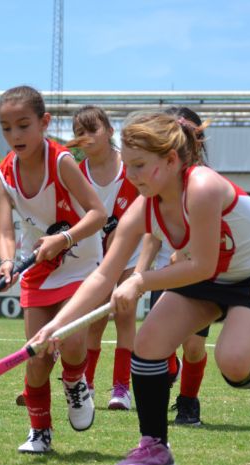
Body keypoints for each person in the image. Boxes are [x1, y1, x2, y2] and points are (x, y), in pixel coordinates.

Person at [31, 111, 250, 465]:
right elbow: (103, 274)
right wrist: (57, 326)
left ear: (171, 160)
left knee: (234, 365)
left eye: (140, 166)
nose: (131, 175)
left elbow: (202, 264)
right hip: (206, 273)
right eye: (129, 165)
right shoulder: (144, 205)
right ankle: (154, 448)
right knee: (149, 344)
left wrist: (140, 280)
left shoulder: (201, 187)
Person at [0, 85, 107, 453]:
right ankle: (40, 432)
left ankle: (74, 381)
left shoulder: (62, 162)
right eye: (6, 128)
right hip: (38, 269)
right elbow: (5, 231)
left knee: (71, 343)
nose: (15, 136)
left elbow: (98, 214)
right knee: (37, 355)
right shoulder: (2, 175)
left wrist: (64, 239)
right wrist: (7, 261)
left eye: (23, 125)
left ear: (44, 122)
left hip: (81, 264)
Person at [137, 106, 211, 427]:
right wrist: (140, 276)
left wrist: (186, 253)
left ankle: (189, 403)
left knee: (194, 347)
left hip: (202, 273)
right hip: (167, 276)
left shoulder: (205, 183)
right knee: (159, 345)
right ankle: (169, 373)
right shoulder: (156, 185)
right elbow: (150, 236)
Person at [68, 105, 141, 410]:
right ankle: (88, 384)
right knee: (94, 322)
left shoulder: (131, 166)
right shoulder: (75, 171)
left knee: (125, 315)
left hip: (131, 252)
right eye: (79, 132)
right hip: (94, 257)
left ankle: (121, 388)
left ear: (110, 132)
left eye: (93, 130)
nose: (86, 137)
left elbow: (147, 207)